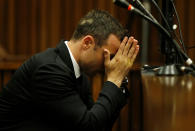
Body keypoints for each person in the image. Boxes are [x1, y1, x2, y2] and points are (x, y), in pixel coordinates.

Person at [0, 9, 139, 131]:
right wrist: (114, 80)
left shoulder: (78, 74)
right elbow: (89, 126)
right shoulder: (50, 70)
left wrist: (119, 82)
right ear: (87, 43)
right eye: (107, 55)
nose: (109, 63)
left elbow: (99, 125)